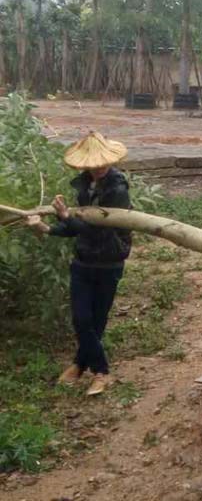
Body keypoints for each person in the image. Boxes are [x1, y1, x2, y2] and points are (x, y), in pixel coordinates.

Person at [27, 131, 132, 396]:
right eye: (92, 164)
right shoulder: (84, 186)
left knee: (96, 320)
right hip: (83, 260)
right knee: (81, 318)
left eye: (101, 163)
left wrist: (65, 217)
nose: (97, 168)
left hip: (109, 260)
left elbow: (98, 230)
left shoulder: (117, 190)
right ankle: (99, 371)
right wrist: (48, 228)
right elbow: (80, 229)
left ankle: (82, 366)